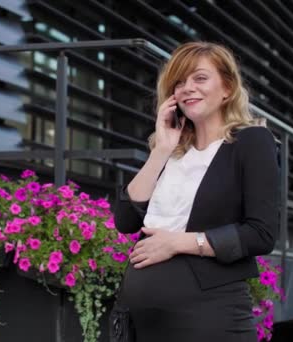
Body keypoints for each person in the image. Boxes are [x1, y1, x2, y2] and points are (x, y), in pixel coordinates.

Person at [113, 41, 280, 341]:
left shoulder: (252, 141)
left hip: (209, 319)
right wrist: (161, 150)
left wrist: (177, 243)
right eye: (179, 82)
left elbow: (261, 233)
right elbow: (125, 221)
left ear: (227, 88)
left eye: (200, 78)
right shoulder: (172, 151)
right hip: (144, 325)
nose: (187, 87)